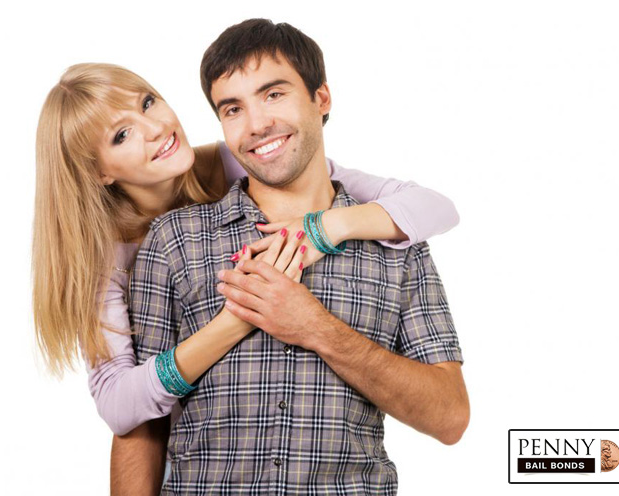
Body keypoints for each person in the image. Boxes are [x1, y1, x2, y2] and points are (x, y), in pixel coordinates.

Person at [115, 18, 469, 495]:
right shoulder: (175, 240)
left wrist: (316, 328)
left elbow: (449, 417)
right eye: (233, 108)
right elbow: (141, 422)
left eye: (274, 94)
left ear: (321, 99)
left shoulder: (396, 243)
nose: (257, 124)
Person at [32, 63, 460, 438]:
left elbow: (433, 206)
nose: (155, 129)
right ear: (99, 172)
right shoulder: (104, 258)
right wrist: (238, 319)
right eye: (122, 135)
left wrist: (323, 229)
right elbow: (117, 404)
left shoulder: (239, 160)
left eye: (148, 103)